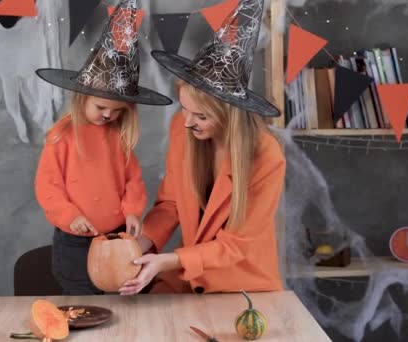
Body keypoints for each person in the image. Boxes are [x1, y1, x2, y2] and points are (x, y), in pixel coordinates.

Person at [118, 0, 286, 295]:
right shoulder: (182, 133)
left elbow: (236, 244)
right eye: (184, 109)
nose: (187, 123)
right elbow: (170, 204)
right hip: (189, 280)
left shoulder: (267, 156)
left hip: (244, 288)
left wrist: (167, 261)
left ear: (228, 115)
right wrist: (140, 245)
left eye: (201, 116)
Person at [34, 0, 172, 295]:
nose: (109, 115)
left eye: (118, 111)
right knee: (85, 303)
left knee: (123, 298)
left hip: (117, 238)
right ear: (81, 97)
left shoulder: (118, 139)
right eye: (101, 107)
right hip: (75, 244)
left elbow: (132, 182)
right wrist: (70, 215)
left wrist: (133, 212)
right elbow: (48, 187)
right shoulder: (62, 137)